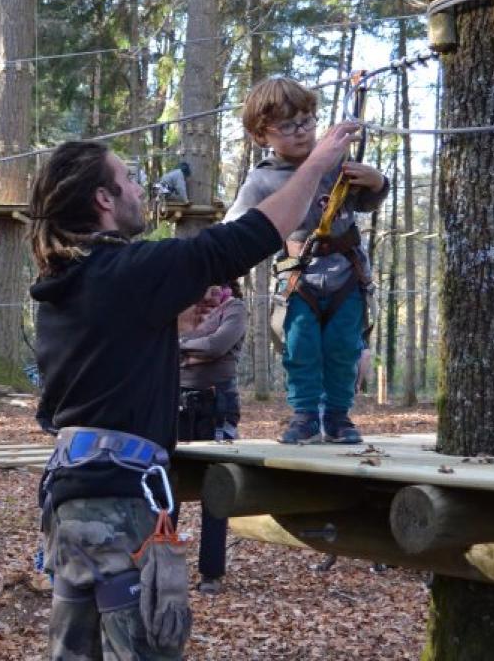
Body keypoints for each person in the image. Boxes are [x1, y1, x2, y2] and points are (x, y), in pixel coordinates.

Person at [30, 125, 357, 660]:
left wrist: (170, 324)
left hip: (72, 506)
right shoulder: (130, 270)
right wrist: (316, 165)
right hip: (118, 507)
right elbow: (250, 235)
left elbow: (101, 364)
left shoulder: (71, 283)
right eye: (129, 180)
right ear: (103, 199)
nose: (140, 190)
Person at [225, 76, 389, 445]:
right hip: (298, 276)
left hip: (347, 273)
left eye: (307, 121)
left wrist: (377, 182)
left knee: (343, 346)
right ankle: (303, 415)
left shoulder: (337, 163)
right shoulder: (262, 180)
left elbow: (363, 201)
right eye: (286, 125)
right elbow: (234, 227)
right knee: (300, 346)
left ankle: (337, 416)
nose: (301, 132)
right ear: (261, 134)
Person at [176, 281, 246, 596]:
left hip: (218, 405)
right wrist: (196, 347)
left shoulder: (234, 308)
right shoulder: (182, 307)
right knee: (167, 484)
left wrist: (184, 346)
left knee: (215, 488)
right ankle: (157, 561)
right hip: (177, 402)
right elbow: (164, 345)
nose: (211, 287)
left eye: (219, 280)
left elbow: (218, 346)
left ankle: (211, 573)